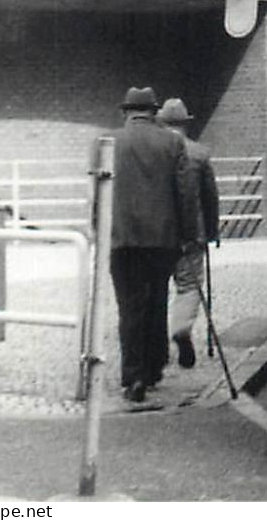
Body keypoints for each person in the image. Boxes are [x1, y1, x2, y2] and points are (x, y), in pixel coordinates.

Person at [98, 87, 198, 403]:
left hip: (122, 240)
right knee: (157, 301)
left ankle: (133, 376)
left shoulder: (105, 143)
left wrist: (96, 232)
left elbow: (97, 193)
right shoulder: (172, 142)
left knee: (129, 308)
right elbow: (185, 194)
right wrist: (187, 235)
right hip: (162, 240)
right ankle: (154, 368)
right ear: (154, 112)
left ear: (125, 112)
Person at [157, 98, 217, 370]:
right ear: (185, 123)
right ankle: (181, 328)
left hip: (157, 236)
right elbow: (209, 197)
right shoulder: (198, 153)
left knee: (156, 291)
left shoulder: (153, 152)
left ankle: (156, 352)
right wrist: (213, 232)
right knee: (189, 286)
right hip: (192, 236)